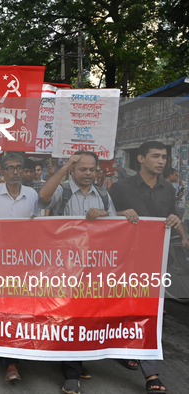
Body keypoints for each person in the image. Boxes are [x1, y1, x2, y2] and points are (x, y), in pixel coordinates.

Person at [109, 141, 189, 393]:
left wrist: (179, 227)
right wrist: (121, 214)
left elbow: (171, 215)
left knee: (148, 311)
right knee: (123, 307)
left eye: (164, 157)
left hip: (154, 260)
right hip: (124, 259)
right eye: (156, 156)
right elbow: (106, 218)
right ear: (141, 159)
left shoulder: (168, 189)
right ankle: (123, 349)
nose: (161, 161)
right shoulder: (120, 188)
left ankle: (150, 372)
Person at [38, 151, 116, 394]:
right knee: (69, 315)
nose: (89, 173)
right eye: (83, 169)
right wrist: (64, 167)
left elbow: (116, 226)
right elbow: (43, 198)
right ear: (73, 170)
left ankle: (75, 360)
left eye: (92, 169)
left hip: (93, 266)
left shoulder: (103, 195)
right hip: (65, 266)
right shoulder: (64, 191)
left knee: (84, 315)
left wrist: (106, 215)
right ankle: (71, 372)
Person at [0, 152, 38, 382]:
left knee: (21, 310)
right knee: (4, 310)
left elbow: (38, 226)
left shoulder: (32, 194)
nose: (15, 172)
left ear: (24, 171)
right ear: (1, 171)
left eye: (19, 168)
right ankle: (9, 362)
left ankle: (16, 353)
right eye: (10, 168)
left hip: (25, 262)